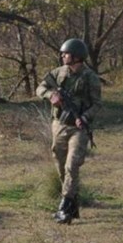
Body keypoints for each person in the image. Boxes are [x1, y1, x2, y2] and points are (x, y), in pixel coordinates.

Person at [36, 38, 101, 224]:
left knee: (72, 166)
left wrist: (86, 117)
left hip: (79, 128)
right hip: (59, 125)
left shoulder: (90, 78)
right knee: (60, 163)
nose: (63, 56)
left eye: (66, 53)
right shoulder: (58, 73)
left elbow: (98, 104)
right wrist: (51, 96)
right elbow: (40, 87)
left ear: (77, 57)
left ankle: (63, 208)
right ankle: (73, 204)